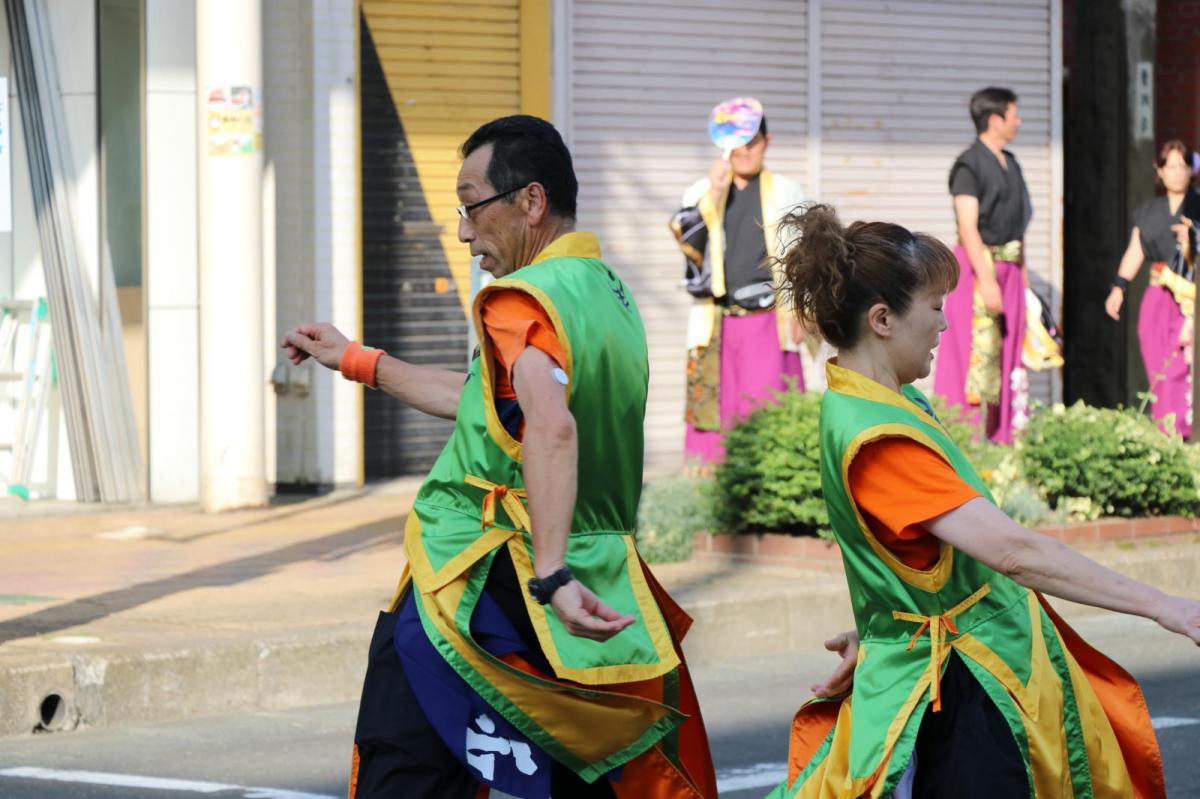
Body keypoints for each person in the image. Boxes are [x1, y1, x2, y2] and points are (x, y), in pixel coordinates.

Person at [282, 116, 717, 799]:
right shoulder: (605, 291)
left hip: (486, 574)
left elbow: (550, 425)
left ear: (531, 201)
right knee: (593, 769)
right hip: (592, 573)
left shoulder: (521, 300)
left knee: (406, 762)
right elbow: (487, 406)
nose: (463, 232)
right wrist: (358, 359)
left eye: (471, 205)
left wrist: (550, 572)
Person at [764, 203, 1200, 799]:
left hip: (957, 675)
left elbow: (899, 556)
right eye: (935, 307)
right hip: (963, 690)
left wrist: (883, 625)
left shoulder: (870, 402)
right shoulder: (882, 437)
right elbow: (1013, 552)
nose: (946, 324)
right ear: (883, 319)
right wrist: (1162, 605)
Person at [670, 99, 809, 464]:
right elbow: (687, 244)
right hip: (717, 321)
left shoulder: (789, 191)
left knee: (772, 413)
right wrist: (714, 195)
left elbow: (808, 256)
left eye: (752, 142)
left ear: (767, 142)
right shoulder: (702, 191)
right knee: (714, 417)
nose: (744, 152)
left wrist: (804, 310)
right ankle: (713, 487)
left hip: (770, 320)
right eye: (737, 144)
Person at [935, 87, 1032, 443]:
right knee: (970, 353)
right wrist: (987, 281)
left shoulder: (1013, 163)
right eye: (1014, 115)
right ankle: (962, 437)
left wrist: (1022, 280)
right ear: (995, 120)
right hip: (978, 270)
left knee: (1010, 350)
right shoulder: (968, 165)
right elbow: (968, 227)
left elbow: (1019, 229)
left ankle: (1006, 436)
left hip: (1011, 269)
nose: (1019, 121)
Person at [1104, 139, 1197, 438]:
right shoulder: (1148, 212)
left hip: (1189, 301)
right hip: (1157, 297)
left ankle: (1182, 432)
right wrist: (1119, 287)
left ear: (1191, 170)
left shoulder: (1197, 204)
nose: (1177, 172)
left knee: (1180, 366)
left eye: (1183, 166)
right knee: (1157, 367)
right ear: (1159, 170)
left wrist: (1193, 240)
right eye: (1171, 166)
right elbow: (1136, 250)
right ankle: (1163, 431)